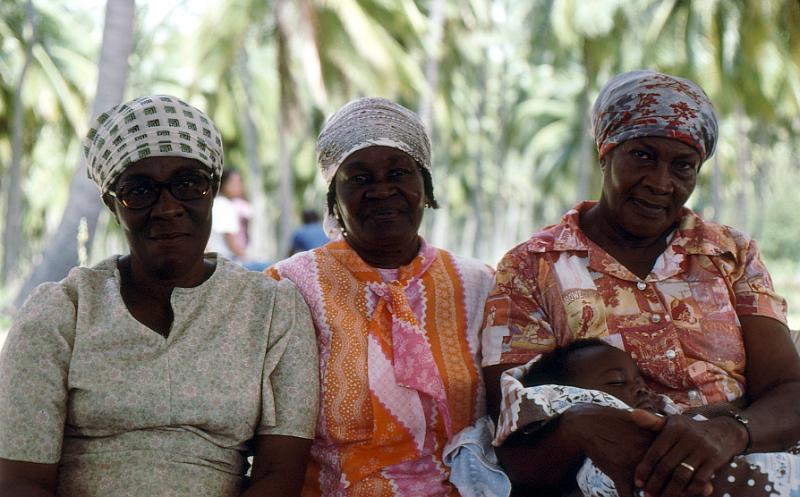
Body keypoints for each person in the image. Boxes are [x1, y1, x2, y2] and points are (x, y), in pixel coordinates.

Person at [480, 70, 800, 497]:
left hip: (755, 463)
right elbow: (513, 434)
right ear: (605, 152)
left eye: (682, 165)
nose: (660, 183)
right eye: (643, 156)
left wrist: (730, 432)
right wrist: (584, 428)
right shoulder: (530, 267)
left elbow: (789, 390)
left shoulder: (730, 254)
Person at [0, 95, 319, 497]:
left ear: (213, 191)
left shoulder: (272, 309)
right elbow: (21, 482)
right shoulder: (61, 314)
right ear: (112, 205)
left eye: (189, 184)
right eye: (139, 190)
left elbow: (279, 476)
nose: (167, 208)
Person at [268, 97, 495, 497]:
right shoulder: (291, 286)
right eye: (359, 178)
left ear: (424, 187)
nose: (382, 190)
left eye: (398, 173)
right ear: (332, 200)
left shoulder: (477, 283)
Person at [516, 338, 800, 497]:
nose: (640, 387)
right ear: (570, 399)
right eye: (617, 383)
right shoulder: (607, 463)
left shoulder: (683, 421)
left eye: (641, 380)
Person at [207, 169, 268, 271]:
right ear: (223, 184)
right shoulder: (224, 206)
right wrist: (251, 258)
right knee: (267, 267)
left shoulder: (218, 203)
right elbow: (232, 245)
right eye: (233, 182)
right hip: (224, 261)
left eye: (239, 182)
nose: (238, 186)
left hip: (220, 260)